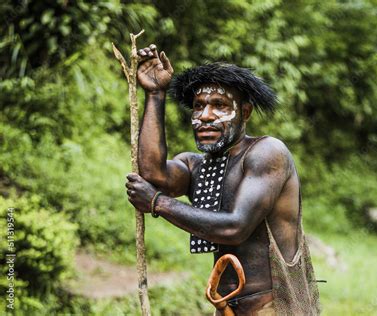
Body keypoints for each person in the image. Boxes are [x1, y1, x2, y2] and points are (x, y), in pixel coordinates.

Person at [126, 44, 321, 315]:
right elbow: (153, 174)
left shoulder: (267, 153)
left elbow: (235, 227)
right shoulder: (196, 166)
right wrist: (156, 94)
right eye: (198, 107)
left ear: (245, 112)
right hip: (227, 307)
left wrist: (158, 203)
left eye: (219, 106)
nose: (205, 116)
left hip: (274, 308)